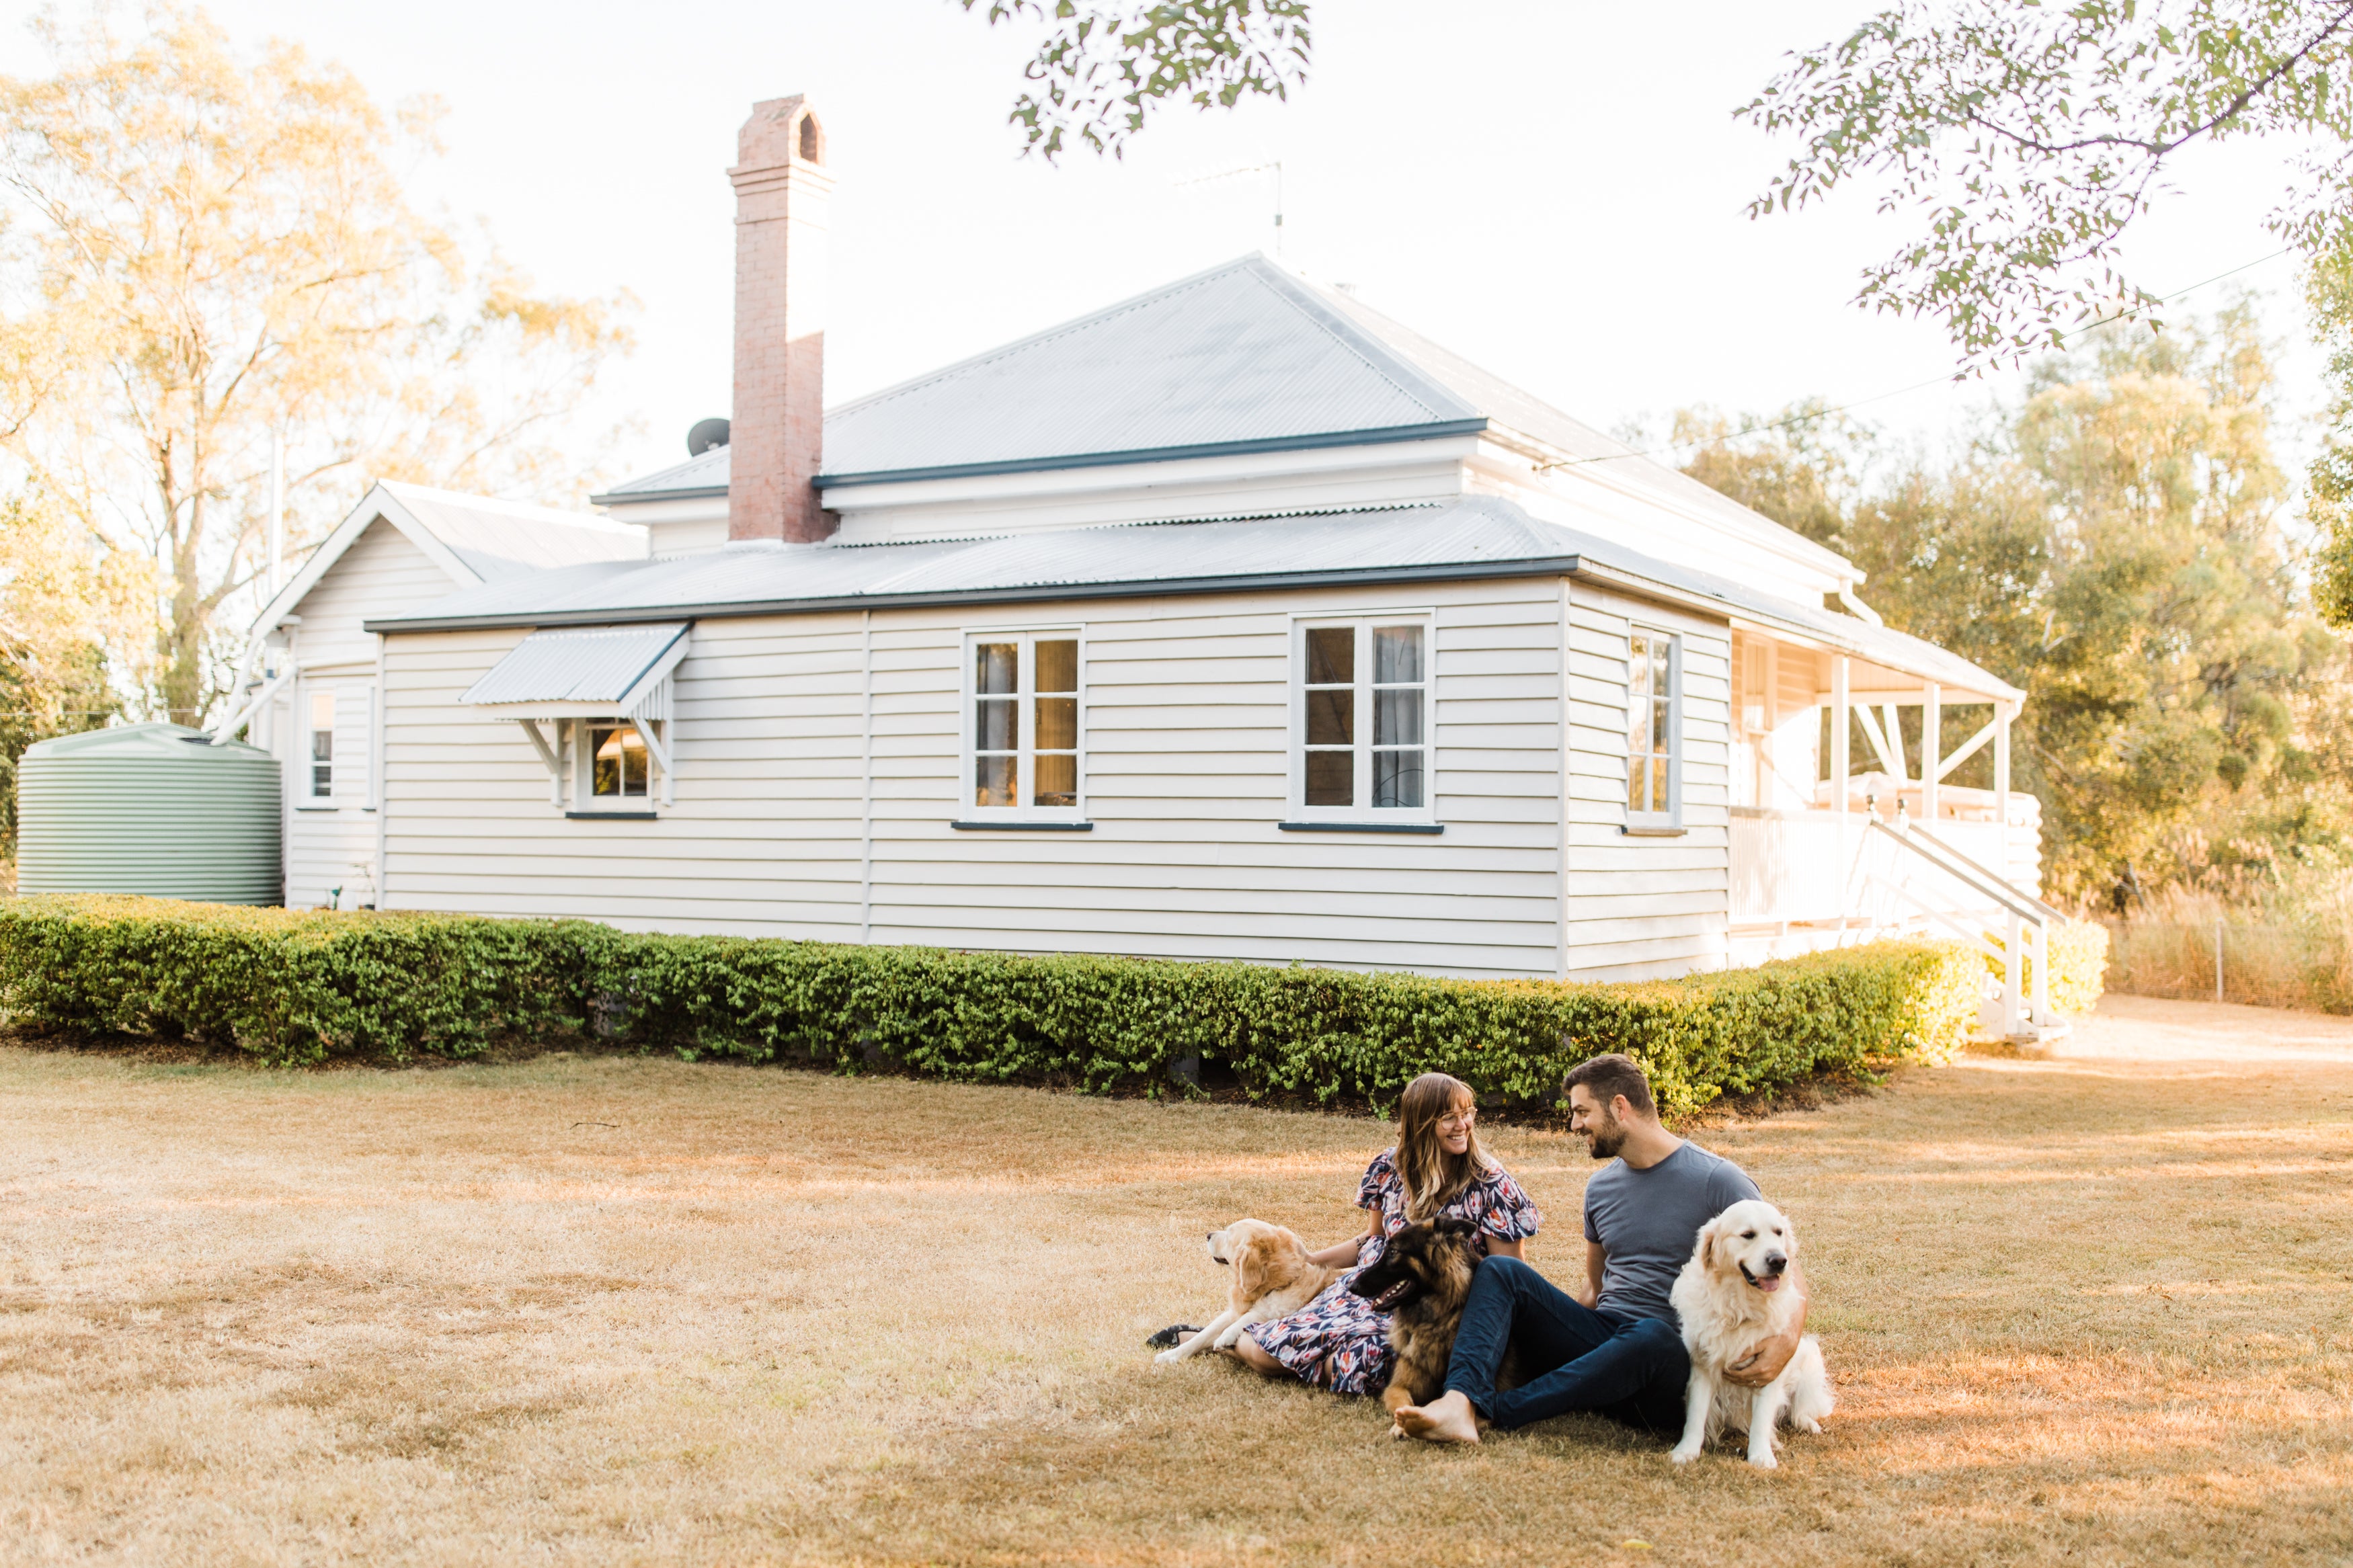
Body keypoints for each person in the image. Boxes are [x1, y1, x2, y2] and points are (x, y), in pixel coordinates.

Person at [1395, 1053, 1806, 1444]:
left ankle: (1494, 1411)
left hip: (1669, 1363)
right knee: (1500, 1271)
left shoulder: (1720, 1180)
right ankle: (1458, 1401)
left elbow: (1788, 1274)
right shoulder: (1601, 1187)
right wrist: (1545, 1326)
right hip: (1607, 1340)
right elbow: (1594, 1292)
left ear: (1620, 1107)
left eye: (1581, 1112)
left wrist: (1786, 1342)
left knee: (1651, 1335)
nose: (1575, 1126)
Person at [1232, 1071, 1541, 1394]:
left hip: (1433, 1312)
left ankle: (1318, 1364)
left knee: (1359, 1362)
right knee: (1263, 1353)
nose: (1463, 1125)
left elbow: (1508, 1275)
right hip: (1373, 1290)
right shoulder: (1388, 1167)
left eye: (1468, 1114)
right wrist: (1311, 1259)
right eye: (1450, 1117)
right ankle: (1220, 1341)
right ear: (1420, 1123)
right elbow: (1374, 1240)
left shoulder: (1492, 1184)